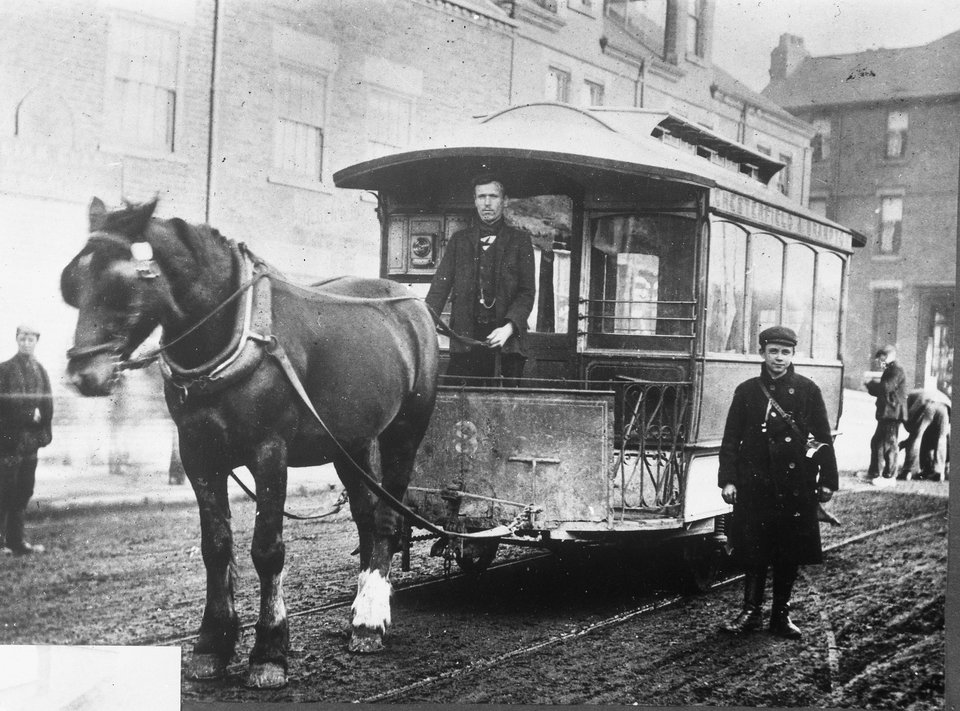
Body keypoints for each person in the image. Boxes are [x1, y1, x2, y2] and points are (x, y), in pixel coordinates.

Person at [718, 326, 838, 639]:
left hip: (795, 485)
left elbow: (821, 438)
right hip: (756, 485)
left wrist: (827, 479)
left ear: (793, 355)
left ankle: (780, 617)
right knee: (754, 550)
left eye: (785, 353)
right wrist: (728, 479)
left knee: (789, 552)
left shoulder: (808, 390)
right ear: (763, 353)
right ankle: (750, 612)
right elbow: (731, 439)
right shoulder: (747, 391)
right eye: (773, 352)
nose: (779, 358)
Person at [425, 172, 536, 385]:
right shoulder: (459, 241)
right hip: (466, 340)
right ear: (474, 201)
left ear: (504, 201)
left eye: (493, 196)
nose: (487, 203)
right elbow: (439, 289)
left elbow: (527, 292)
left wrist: (508, 328)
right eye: (481, 196)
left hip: (506, 342)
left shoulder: (520, 241)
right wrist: (424, 324)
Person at [0, 323, 53, 555]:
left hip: (30, 443)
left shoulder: (40, 370)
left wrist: (43, 430)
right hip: (8, 442)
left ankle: (17, 542)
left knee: (23, 491)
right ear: (16, 340)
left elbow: (47, 403)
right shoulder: (4, 369)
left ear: (36, 342)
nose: (26, 342)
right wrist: (26, 414)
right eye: (22, 338)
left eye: (31, 339)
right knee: (4, 490)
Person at [864, 345, 907, 482]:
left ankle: (889, 476)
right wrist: (870, 385)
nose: (879, 362)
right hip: (889, 413)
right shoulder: (891, 369)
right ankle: (876, 473)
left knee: (888, 444)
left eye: (881, 359)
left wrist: (869, 383)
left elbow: (885, 388)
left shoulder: (895, 370)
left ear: (888, 356)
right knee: (878, 442)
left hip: (892, 414)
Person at [899, 388, 950, 481]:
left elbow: (908, 423)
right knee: (941, 439)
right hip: (944, 406)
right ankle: (939, 472)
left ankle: (909, 470)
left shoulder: (909, 397)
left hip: (927, 404)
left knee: (916, 438)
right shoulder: (919, 392)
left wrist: (909, 437)